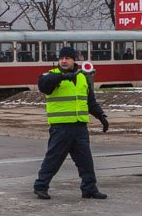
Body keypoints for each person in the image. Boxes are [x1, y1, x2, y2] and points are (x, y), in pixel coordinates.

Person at [33, 45, 109, 200]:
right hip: (61, 127)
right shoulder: (52, 75)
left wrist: (101, 115)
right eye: (61, 58)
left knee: (85, 161)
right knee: (53, 159)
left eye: (67, 58)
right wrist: (63, 77)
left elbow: (89, 101)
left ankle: (89, 188)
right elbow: (43, 84)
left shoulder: (82, 77)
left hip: (80, 126)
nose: (64, 61)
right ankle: (41, 187)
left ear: (74, 60)